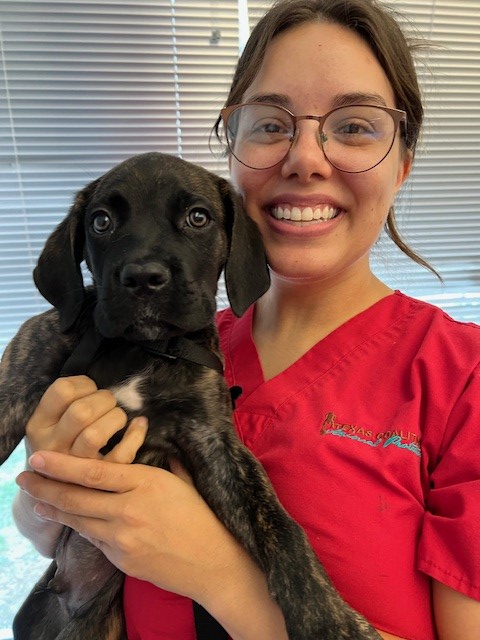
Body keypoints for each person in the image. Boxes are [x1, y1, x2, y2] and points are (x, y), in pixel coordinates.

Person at [11, 0, 480, 638]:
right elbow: (57, 542)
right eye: (269, 123)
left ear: (403, 164)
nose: (306, 158)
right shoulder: (171, 344)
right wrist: (47, 503)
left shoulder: (462, 376)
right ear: (232, 150)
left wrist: (221, 576)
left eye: (355, 126)